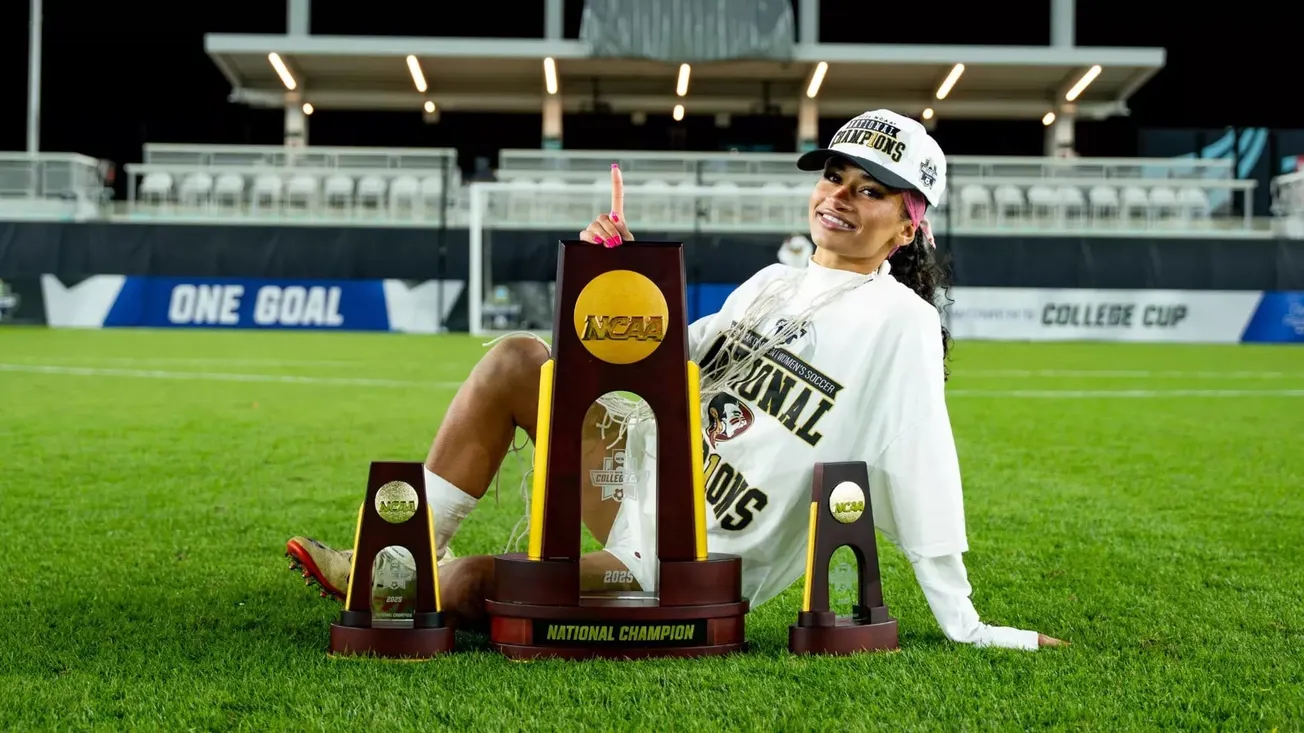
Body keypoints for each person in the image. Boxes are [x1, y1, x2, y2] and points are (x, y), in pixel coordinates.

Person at [286, 109, 1067, 650]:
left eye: (871, 189)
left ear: (908, 223)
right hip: (644, 481)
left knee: (471, 589)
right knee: (516, 361)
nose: (841, 196)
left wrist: (965, 620)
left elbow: (921, 463)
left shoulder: (902, 321)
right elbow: (655, 365)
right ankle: (397, 554)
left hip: (692, 556)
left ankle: (434, 575)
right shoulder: (772, 281)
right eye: (835, 176)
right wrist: (614, 272)